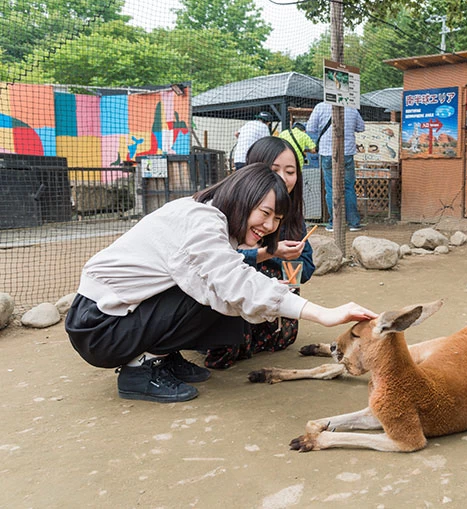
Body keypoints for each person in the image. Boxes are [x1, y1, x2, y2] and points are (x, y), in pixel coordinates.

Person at [65, 164, 375, 403]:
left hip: (118, 318)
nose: (269, 227)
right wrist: (321, 314)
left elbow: (288, 271)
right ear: (243, 197)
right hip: (100, 327)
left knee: (222, 291)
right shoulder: (203, 222)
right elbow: (232, 281)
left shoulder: (217, 219)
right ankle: (139, 370)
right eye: (265, 213)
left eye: (276, 220)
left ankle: (161, 356)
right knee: (217, 289)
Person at [205, 136, 314, 369]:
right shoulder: (230, 208)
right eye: (274, 170)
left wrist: (290, 265)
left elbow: (306, 269)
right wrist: (269, 253)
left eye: (290, 171)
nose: (283, 178)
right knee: (230, 348)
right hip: (233, 292)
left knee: (285, 337)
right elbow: (218, 262)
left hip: (274, 295)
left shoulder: (292, 216)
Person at [306, 101, 364, 232]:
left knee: (331, 188)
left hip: (327, 152)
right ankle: (354, 223)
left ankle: (334, 223)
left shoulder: (320, 107)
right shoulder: (351, 107)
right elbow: (361, 127)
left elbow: (310, 128)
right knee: (349, 187)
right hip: (347, 152)